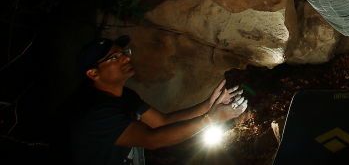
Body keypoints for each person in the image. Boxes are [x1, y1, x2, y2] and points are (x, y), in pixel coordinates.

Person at [68, 35, 247, 165]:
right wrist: (211, 119)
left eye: (123, 52)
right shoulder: (96, 112)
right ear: (93, 73)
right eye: (115, 57)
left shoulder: (126, 96)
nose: (127, 58)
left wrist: (208, 105)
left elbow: (162, 122)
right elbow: (151, 139)